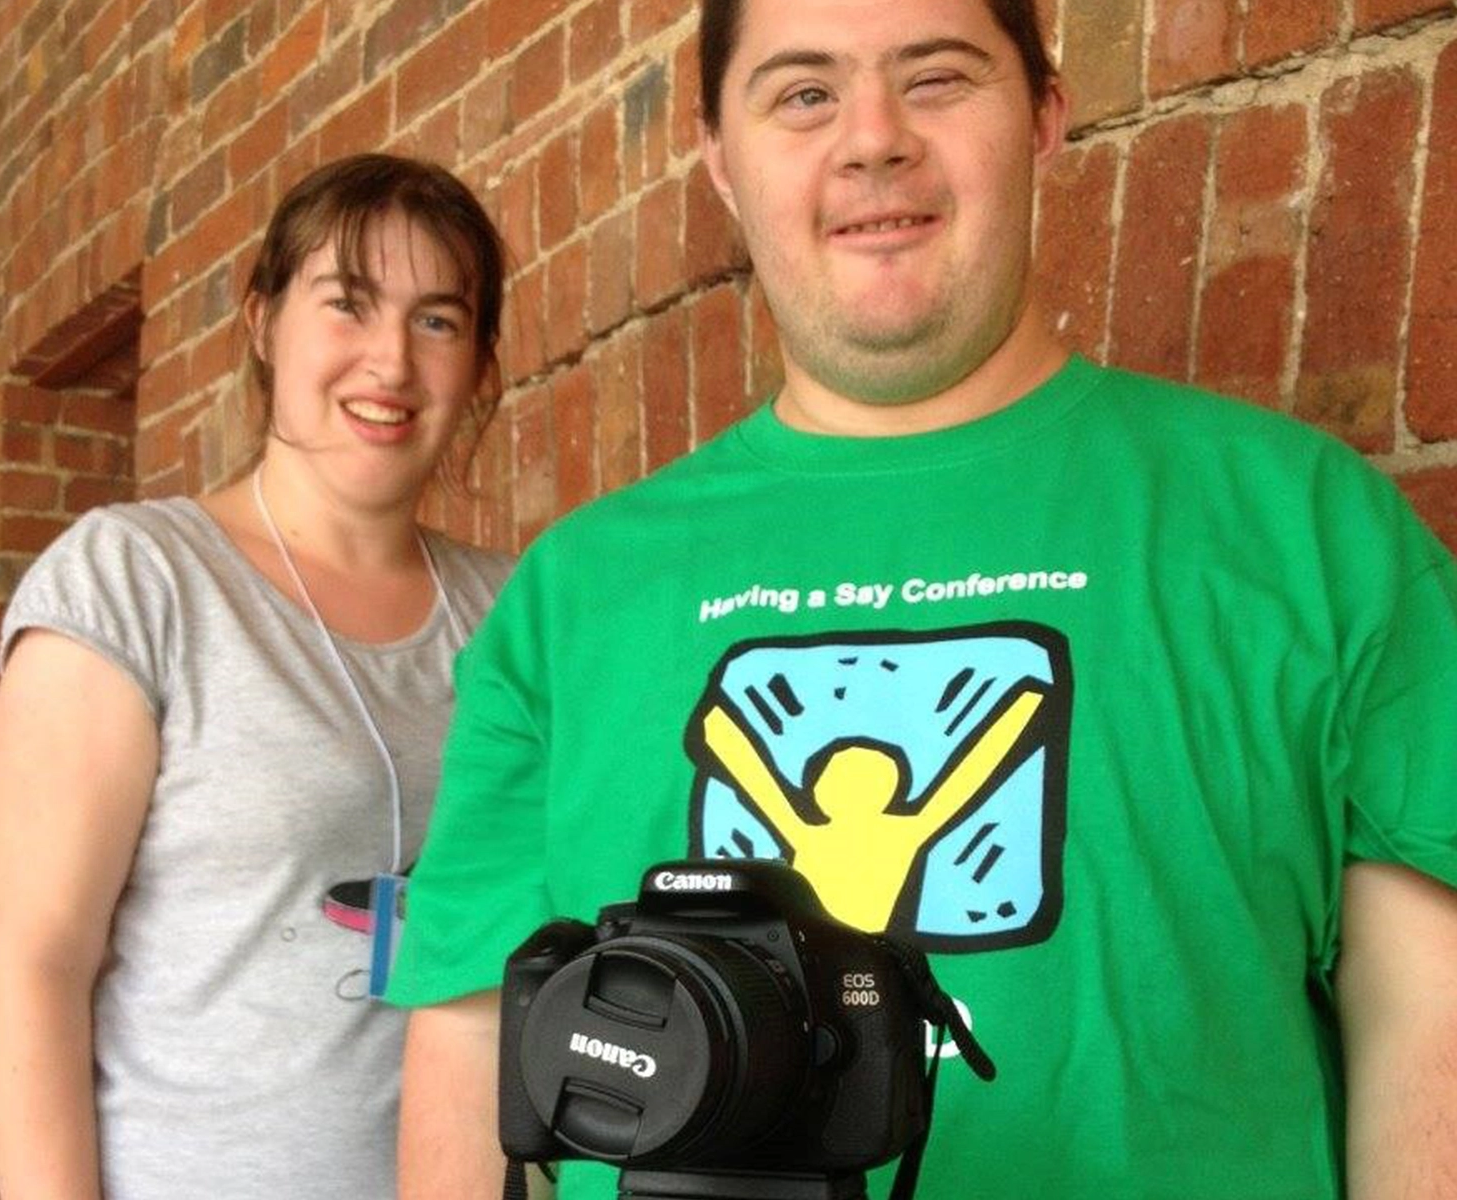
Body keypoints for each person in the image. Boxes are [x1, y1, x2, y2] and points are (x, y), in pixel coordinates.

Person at [391, 1, 1457, 1197]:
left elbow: (1429, 1023)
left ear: (1046, 118)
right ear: (719, 162)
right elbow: (475, 1038)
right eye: (803, 93)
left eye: (939, 78)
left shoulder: (1307, 530)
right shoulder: (569, 600)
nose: (873, 139)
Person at [0, 153, 513, 1200]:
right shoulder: (137, 579)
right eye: (348, 306)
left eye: (439, 321)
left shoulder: (509, 616)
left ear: (480, 365)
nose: (391, 362)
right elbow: (35, 967)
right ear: (266, 322)